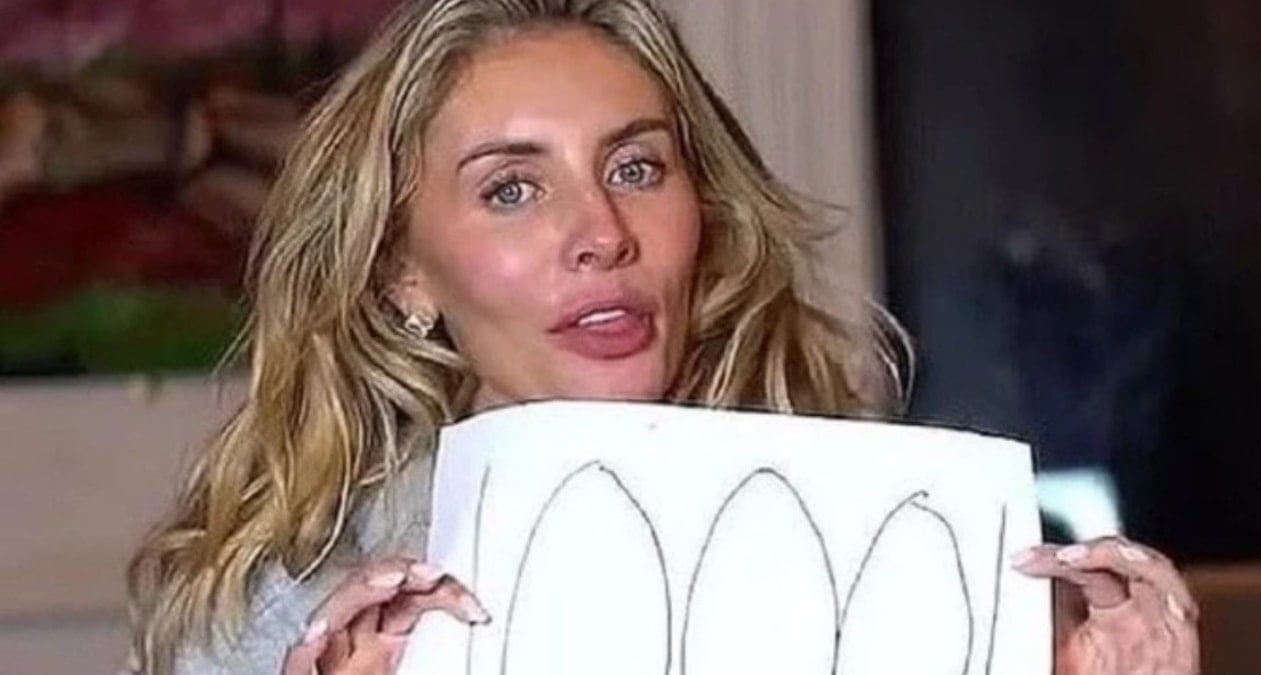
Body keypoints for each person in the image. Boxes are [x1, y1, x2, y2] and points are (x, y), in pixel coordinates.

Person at [125, 1, 1201, 674]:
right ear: (404, 269)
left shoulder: (899, 554)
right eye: (511, 189)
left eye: (637, 167)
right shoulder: (279, 613)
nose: (601, 232)